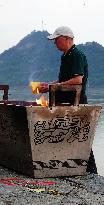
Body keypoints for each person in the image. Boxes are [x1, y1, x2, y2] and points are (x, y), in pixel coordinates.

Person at [39, 26, 97, 174]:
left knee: (80, 136)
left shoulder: (76, 55)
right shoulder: (66, 56)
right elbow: (63, 80)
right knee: (67, 134)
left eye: (57, 40)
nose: (55, 43)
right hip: (65, 102)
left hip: (75, 102)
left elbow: (77, 80)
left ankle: (90, 171)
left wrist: (56, 85)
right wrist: (49, 86)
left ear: (66, 38)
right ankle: (66, 166)